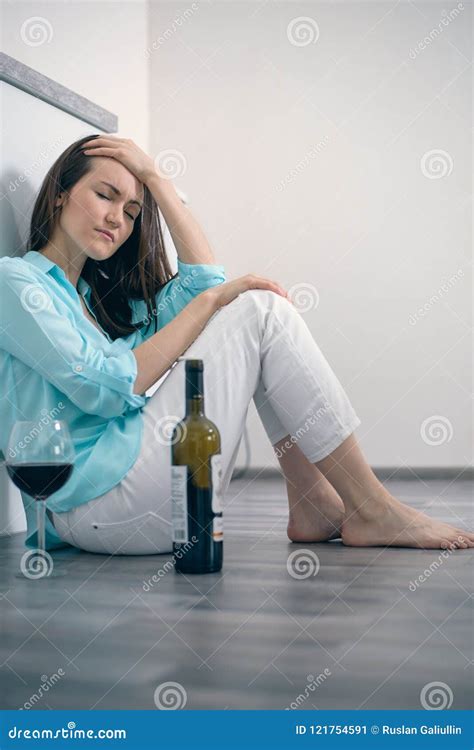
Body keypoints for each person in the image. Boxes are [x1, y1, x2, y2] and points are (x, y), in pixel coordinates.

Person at [1, 134, 472, 556]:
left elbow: (205, 279)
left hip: (127, 492)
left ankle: (314, 504)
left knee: (253, 309)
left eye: (130, 212)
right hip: (97, 504)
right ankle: (370, 507)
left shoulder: (99, 302)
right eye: (105, 195)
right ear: (61, 194)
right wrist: (209, 304)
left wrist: (156, 178)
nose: (116, 219)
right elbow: (101, 388)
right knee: (257, 311)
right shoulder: (16, 282)